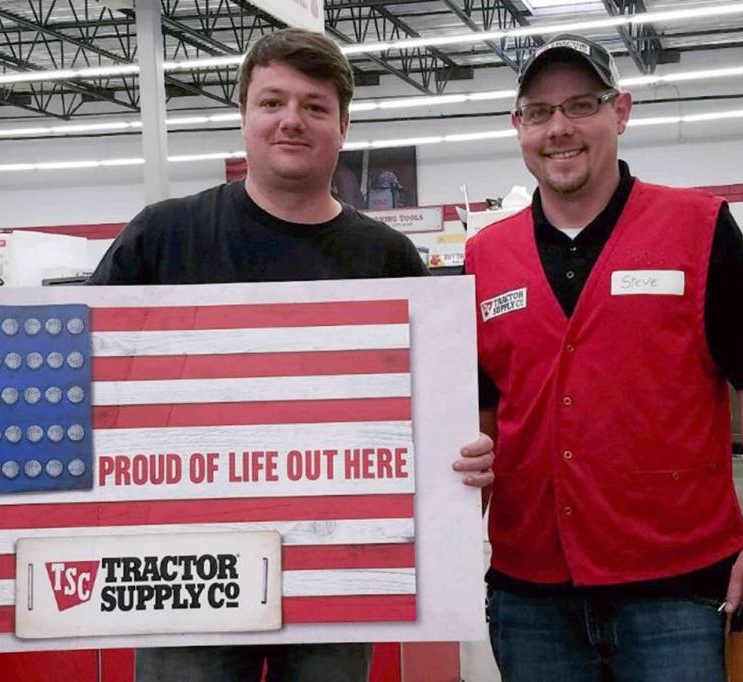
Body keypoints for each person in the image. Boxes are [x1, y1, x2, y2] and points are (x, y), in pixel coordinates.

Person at [89, 27, 494, 682]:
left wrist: (462, 454)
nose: (291, 120)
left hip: (337, 568)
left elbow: (440, 406)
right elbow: (88, 376)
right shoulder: (163, 237)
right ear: (244, 116)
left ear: (344, 126)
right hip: (184, 570)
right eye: (272, 102)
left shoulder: (386, 259)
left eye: (314, 106)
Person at [462, 34, 743, 681]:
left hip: (677, 592)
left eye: (581, 105)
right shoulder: (485, 257)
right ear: (518, 126)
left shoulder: (698, 227)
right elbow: (480, 409)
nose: (559, 129)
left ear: (620, 111)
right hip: (531, 597)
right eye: (539, 112)